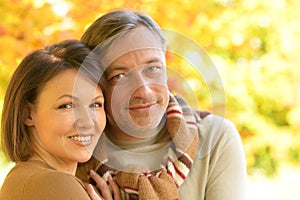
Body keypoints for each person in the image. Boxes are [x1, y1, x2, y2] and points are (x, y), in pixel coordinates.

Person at [76, 9, 247, 200]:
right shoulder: (77, 152)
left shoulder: (215, 136)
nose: (144, 91)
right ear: (94, 83)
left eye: (153, 68)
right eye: (120, 76)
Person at [0, 40, 120, 200]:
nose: (88, 122)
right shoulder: (52, 183)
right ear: (27, 114)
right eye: (67, 105)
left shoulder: (25, 179)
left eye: (95, 104)